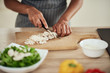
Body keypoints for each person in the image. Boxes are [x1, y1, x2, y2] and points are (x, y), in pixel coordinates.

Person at [4, 0, 83, 37]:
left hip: (61, 22)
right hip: (26, 23)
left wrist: (65, 19)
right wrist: (28, 9)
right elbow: (8, 1)